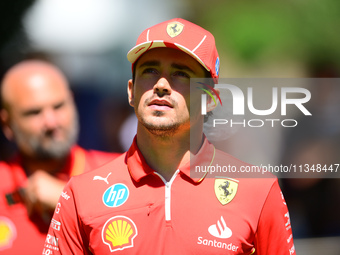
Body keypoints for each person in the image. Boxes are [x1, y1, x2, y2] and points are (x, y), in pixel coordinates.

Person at [43, 18, 296, 254]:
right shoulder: (81, 193)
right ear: (131, 92)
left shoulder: (259, 191)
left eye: (180, 73)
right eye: (150, 71)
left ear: (209, 100)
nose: (161, 84)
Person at [0, 59, 120, 254]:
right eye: (34, 112)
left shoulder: (122, 171)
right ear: (7, 124)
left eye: (58, 106)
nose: (51, 122)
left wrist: (69, 202)